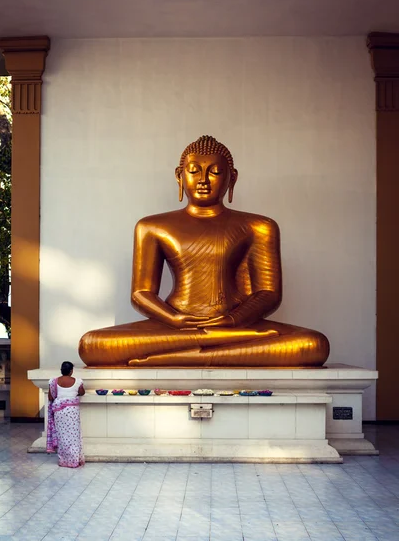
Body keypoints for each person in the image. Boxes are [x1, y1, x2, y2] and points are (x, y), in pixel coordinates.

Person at [79, 135, 329, 367]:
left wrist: (232, 320)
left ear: (232, 178)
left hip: (234, 326)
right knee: (93, 345)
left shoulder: (258, 226)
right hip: (173, 326)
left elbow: (268, 293)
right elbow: (141, 293)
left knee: (312, 344)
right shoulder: (152, 226)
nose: (203, 180)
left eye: (216, 172)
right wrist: (174, 319)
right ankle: (208, 352)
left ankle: (178, 356)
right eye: (194, 171)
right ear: (179, 176)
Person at [47, 361, 85, 468]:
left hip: (59, 412)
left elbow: (50, 397)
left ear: (61, 370)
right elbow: (82, 392)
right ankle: (74, 460)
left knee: (62, 437)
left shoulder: (53, 381)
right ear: (71, 371)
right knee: (74, 436)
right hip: (72, 412)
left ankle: (64, 461)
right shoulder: (78, 381)